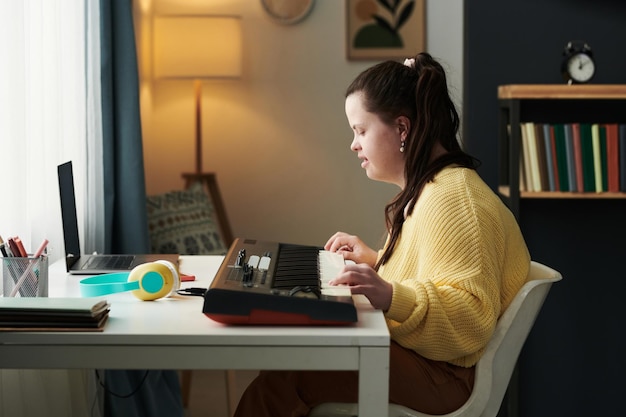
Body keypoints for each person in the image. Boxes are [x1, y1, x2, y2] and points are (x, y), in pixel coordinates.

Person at [233, 52, 530, 416]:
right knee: (294, 361)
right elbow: (437, 278)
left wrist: (388, 294)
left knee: (287, 374)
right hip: (425, 362)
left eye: (360, 130)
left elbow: (471, 318)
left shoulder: (455, 200)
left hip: (443, 377)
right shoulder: (434, 188)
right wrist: (376, 262)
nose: (354, 144)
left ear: (402, 129)